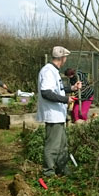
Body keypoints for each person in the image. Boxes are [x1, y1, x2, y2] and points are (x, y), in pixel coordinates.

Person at [36, 46, 81, 177]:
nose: (65, 60)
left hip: (59, 115)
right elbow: (46, 93)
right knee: (53, 145)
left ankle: (62, 168)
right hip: (53, 114)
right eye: (65, 58)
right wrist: (65, 100)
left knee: (62, 145)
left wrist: (71, 88)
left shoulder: (54, 71)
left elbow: (57, 89)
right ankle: (48, 172)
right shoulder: (48, 71)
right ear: (62, 58)